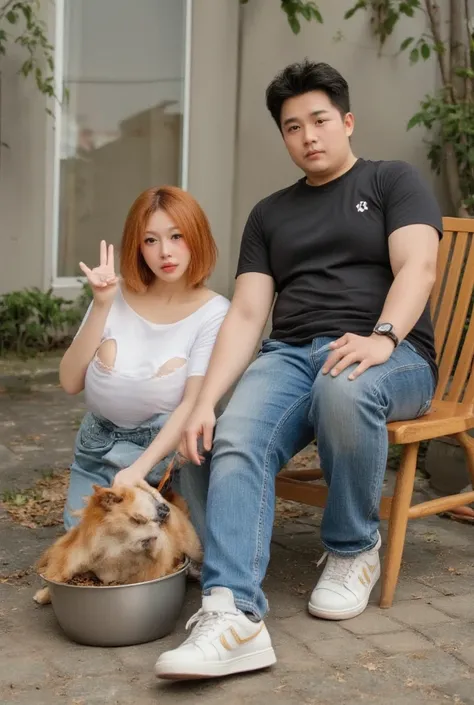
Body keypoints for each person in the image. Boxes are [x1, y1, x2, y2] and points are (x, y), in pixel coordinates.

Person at [154, 60, 442, 681]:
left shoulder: (393, 180)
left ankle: (352, 547)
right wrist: (205, 399)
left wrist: (382, 336)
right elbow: (249, 313)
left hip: (393, 356)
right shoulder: (269, 214)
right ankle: (233, 614)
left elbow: (418, 266)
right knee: (226, 438)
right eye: (292, 127)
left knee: (345, 387)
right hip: (289, 355)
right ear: (283, 137)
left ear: (346, 120)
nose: (308, 136)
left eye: (318, 120)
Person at [60, 185, 230, 546]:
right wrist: (102, 305)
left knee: (178, 554)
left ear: (196, 237)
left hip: (166, 459)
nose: (164, 252)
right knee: (90, 550)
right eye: (150, 240)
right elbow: (70, 381)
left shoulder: (213, 312)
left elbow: (193, 403)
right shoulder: (113, 294)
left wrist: (137, 471)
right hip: (98, 447)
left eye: (176, 236)